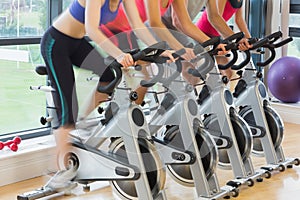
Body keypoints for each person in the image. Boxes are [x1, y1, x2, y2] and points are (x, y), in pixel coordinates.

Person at [40, 0, 174, 191]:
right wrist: (119, 55)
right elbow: (92, 29)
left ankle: (83, 123)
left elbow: (137, 26)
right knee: (66, 104)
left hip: (77, 43)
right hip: (56, 43)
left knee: (108, 77)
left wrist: (160, 48)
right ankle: (60, 170)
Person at [195, 0, 252, 80]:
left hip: (216, 36)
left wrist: (249, 39)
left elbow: (239, 20)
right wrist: (235, 38)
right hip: (203, 32)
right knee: (208, 74)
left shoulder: (241, 1)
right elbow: (217, 18)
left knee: (228, 73)